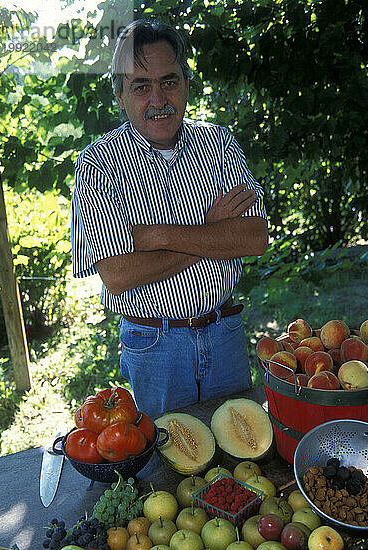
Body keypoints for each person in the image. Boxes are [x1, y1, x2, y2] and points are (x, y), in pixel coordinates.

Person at [71, 19, 268, 419]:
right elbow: (120, 275)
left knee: (243, 455)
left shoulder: (219, 144)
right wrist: (212, 233)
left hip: (224, 331)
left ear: (186, 85)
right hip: (154, 345)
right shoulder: (98, 165)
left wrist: (159, 235)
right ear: (120, 96)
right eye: (141, 86)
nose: (158, 98)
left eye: (169, 81)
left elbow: (254, 237)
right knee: (168, 462)